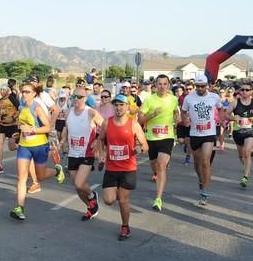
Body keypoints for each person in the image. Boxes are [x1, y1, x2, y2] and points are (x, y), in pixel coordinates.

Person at [93, 94, 148, 240]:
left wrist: (139, 149)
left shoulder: (133, 124)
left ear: (127, 107)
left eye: (121, 105)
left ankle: (125, 227)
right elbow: (101, 139)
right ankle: (118, 192)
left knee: (123, 200)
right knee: (109, 200)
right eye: (116, 105)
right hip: (111, 168)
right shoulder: (107, 123)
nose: (118, 107)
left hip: (128, 169)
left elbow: (145, 145)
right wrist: (102, 153)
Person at [9, 82, 65, 221]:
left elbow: (47, 128)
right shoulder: (21, 107)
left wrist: (32, 130)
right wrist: (16, 135)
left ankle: (57, 171)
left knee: (40, 177)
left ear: (34, 94)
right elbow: (22, 126)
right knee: (22, 177)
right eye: (23, 91)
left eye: (27, 92)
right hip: (25, 146)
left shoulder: (37, 108)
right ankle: (20, 208)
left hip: (40, 145)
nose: (24, 94)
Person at [60, 86, 103, 221]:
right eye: (74, 97)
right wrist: (62, 142)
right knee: (77, 188)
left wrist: (98, 140)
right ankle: (90, 207)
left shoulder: (91, 112)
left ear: (85, 98)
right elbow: (66, 128)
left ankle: (91, 196)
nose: (76, 99)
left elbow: (106, 126)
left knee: (79, 183)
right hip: (73, 153)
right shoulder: (68, 112)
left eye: (79, 97)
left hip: (87, 153)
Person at [138, 74, 179, 212]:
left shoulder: (173, 99)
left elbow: (175, 112)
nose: (162, 86)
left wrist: (177, 117)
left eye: (165, 84)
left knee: (161, 165)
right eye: (159, 84)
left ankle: (158, 199)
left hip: (167, 137)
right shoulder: (149, 100)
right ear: (155, 85)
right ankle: (156, 173)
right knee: (155, 165)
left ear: (168, 85)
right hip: (151, 138)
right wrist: (152, 115)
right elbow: (140, 120)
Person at [181, 75, 223, 207]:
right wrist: (185, 120)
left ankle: (204, 192)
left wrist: (220, 121)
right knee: (197, 163)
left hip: (209, 134)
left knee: (205, 162)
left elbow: (221, 108)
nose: (200, 89)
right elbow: (183, 111)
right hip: (195, 134)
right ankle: (201, 179)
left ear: (207, 85)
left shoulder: (214, 97)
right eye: (198, 86)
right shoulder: (189, 98)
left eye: (203, 86)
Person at [226, 83, 253, 188]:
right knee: (241, 156)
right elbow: (227, 115)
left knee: (247, 152)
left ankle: (245, 176)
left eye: (247, 90)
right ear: (240, 92)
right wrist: (234, 118)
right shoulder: (235, 102)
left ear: (251, 91)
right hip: (238, 131)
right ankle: (247, 165)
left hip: (250, 130)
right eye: (243, 90)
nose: (245, 92)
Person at [0, 85, 20, 174]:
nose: (1, 91)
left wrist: (13, 118)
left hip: (13, 125)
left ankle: (22, 148)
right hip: (2, 125)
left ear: (8, 91)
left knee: (11, 147)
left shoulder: (12, 99)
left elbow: (20, 109)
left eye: (3, 90)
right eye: (0, 89)